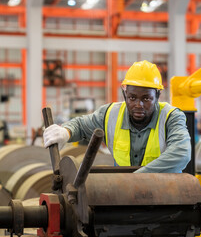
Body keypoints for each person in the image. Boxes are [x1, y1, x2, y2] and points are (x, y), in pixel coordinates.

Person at [43, 60, 191, 173]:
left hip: (167, 197)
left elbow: (181, 153)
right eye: (132, 98)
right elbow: (81, 125)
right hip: (125, 194)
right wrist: (66, 132)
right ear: (125, 94)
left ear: (157, 96)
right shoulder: (110, 115)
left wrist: (139, 177)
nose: (138, 104)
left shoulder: (171, 117)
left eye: (146, 99)